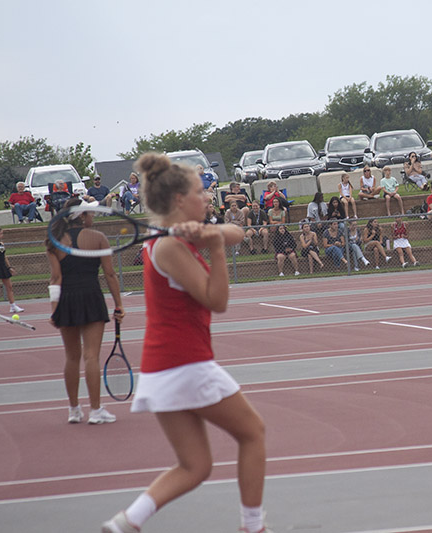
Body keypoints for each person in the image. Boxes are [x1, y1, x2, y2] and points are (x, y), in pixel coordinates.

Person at [100, 153, 268, 533]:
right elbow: (217, 301)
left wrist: (208, 234)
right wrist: (217, 249)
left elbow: (237, 232)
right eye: (200, 191)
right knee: (253, 432)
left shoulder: (178, 237)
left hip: (164, 366)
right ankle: (253, 527)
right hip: (185, 362)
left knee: (195, 465)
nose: (208, 197)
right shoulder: (169, 247)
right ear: (178, 199)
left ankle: (126, 523)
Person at [45, 198, 123, 426]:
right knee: (91, 356)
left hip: (66, 299)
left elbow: (55, 278)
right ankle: (96, 410)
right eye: (91, 213)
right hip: (91, 297)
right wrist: (119, 305)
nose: (93, 217)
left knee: (71, 356)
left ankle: (74, 410)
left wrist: (54, 309)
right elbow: (110, 274)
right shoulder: (98, 238)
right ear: (82, 216)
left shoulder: (55, 240)